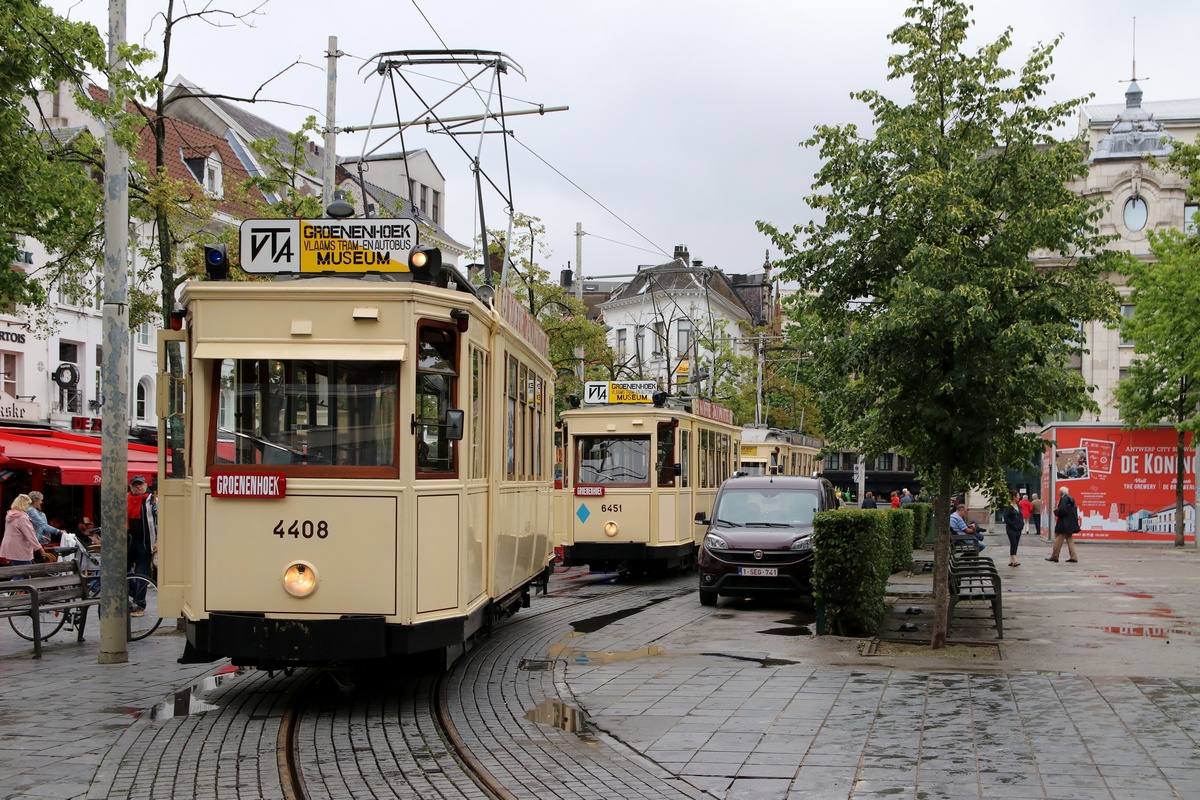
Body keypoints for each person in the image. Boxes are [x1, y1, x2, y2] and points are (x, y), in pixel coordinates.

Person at [127, 475, 158, 615]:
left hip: (145, 543)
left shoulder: (153, 501)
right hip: (128, 542)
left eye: (141, 484)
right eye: (135, 485)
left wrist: (158, 541)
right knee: (121, 572)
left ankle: (139, 605)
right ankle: (135, 594)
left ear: (146, 485)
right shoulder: (124, 500)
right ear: (130, 487)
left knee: (142, 573)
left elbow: (160, 521)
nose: (138, 487)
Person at [1, 494, 50, 566]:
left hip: (10, 547)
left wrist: (41, 537)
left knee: (17, 571)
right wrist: (39, 547)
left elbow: (17, 531)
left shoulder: (10, 515)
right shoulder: (22, 517)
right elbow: (30, 534)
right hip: (20, 548)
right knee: (25, 572)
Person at [1048, 486, 1079, 562]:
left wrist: (1056, 511)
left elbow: (1063, 511)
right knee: (1070, 540)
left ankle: (1055, 556)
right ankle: (1074, 556)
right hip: (1070, 524)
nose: (1058, 492)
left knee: (1058, 540)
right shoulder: (1071, 499)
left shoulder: (1064, 499)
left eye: (1059, 491)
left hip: (1064, 524)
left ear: (1061, 492)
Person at [1003, 490, 1024, 566]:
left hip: (1019, 528)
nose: (1019, 497)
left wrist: (1022, 524)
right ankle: (1014, 560)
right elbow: (1006, 518)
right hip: (1011, 528)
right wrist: (1012, 524)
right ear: (1014, 497)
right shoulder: (1008, 506)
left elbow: (1020, 515)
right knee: (1013, 543)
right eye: (1018, 496)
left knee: (1016, 544)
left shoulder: (1018, 505)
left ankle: (1011, 560)